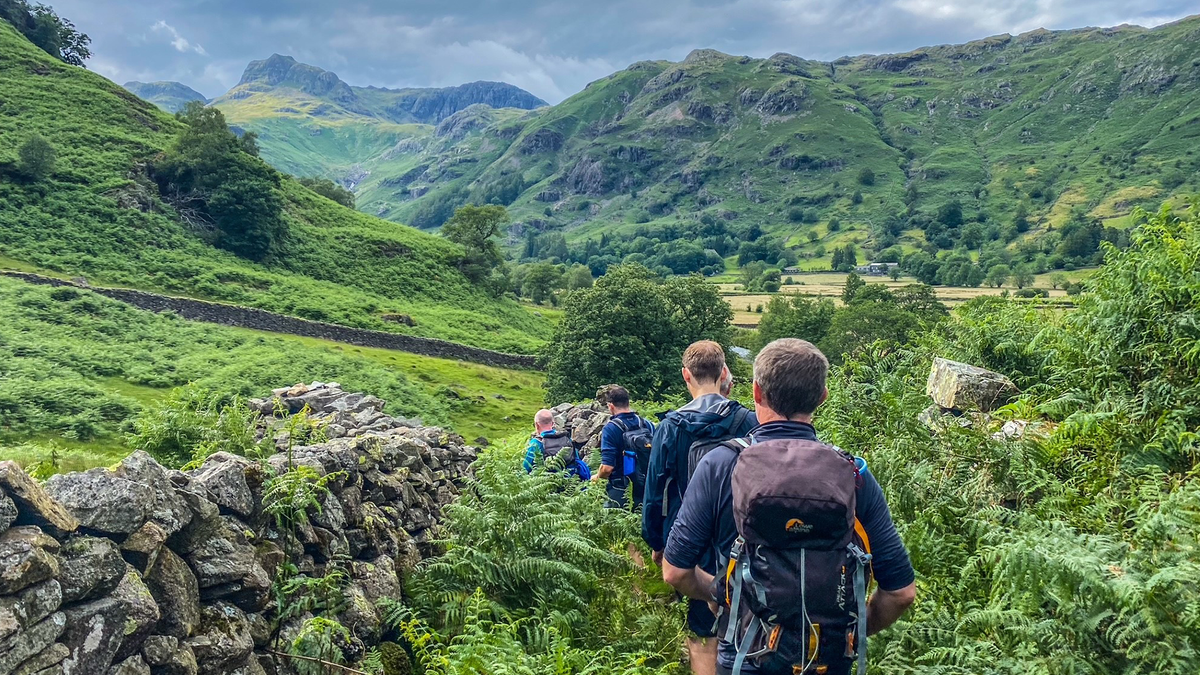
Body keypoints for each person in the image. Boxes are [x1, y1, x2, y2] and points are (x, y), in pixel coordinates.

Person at [662, 338, 916, 675]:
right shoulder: (853, 473)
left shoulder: (720, 465)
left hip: (744, 657)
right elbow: (901, 593)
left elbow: (675, 571)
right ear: (822, 397)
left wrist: (720, 592)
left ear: (755, 392)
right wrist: (850, 631)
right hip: (828, 661)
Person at [643, 341, 758, 675]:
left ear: (685, 376)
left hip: (690, 539)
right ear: (724, 373)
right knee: (748, 614)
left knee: (701, 627)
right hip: (740, 537)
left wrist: (657, 543)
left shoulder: (670, 427)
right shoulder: (747, 420)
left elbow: (655, 493)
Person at [593, 385, 653, 508]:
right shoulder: (646, 424)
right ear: (628, 402)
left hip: (620, 490)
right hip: (648, 487)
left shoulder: (611, 428)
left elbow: (607, 468)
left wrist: (597, 477)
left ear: (610, 406)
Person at [522, 409, 587, 479]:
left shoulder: (536, 443)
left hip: (547, 485)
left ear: (537, 425)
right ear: (553, 423)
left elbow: (525, 469)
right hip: (571, 484)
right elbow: (576, 460)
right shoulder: (567, 438)